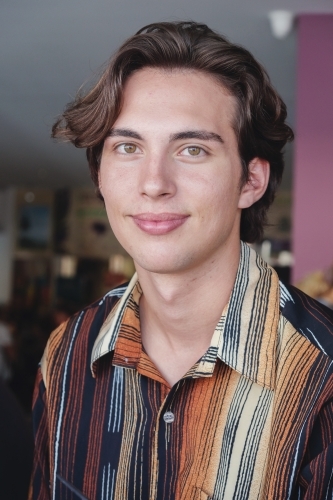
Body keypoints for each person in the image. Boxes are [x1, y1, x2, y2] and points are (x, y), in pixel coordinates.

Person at [30, 22, 333, 500]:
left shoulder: (324, 373)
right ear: (100, 177)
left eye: (192, 149)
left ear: (250, 181)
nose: (154, 182)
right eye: (128, 148)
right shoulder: (66, 353)